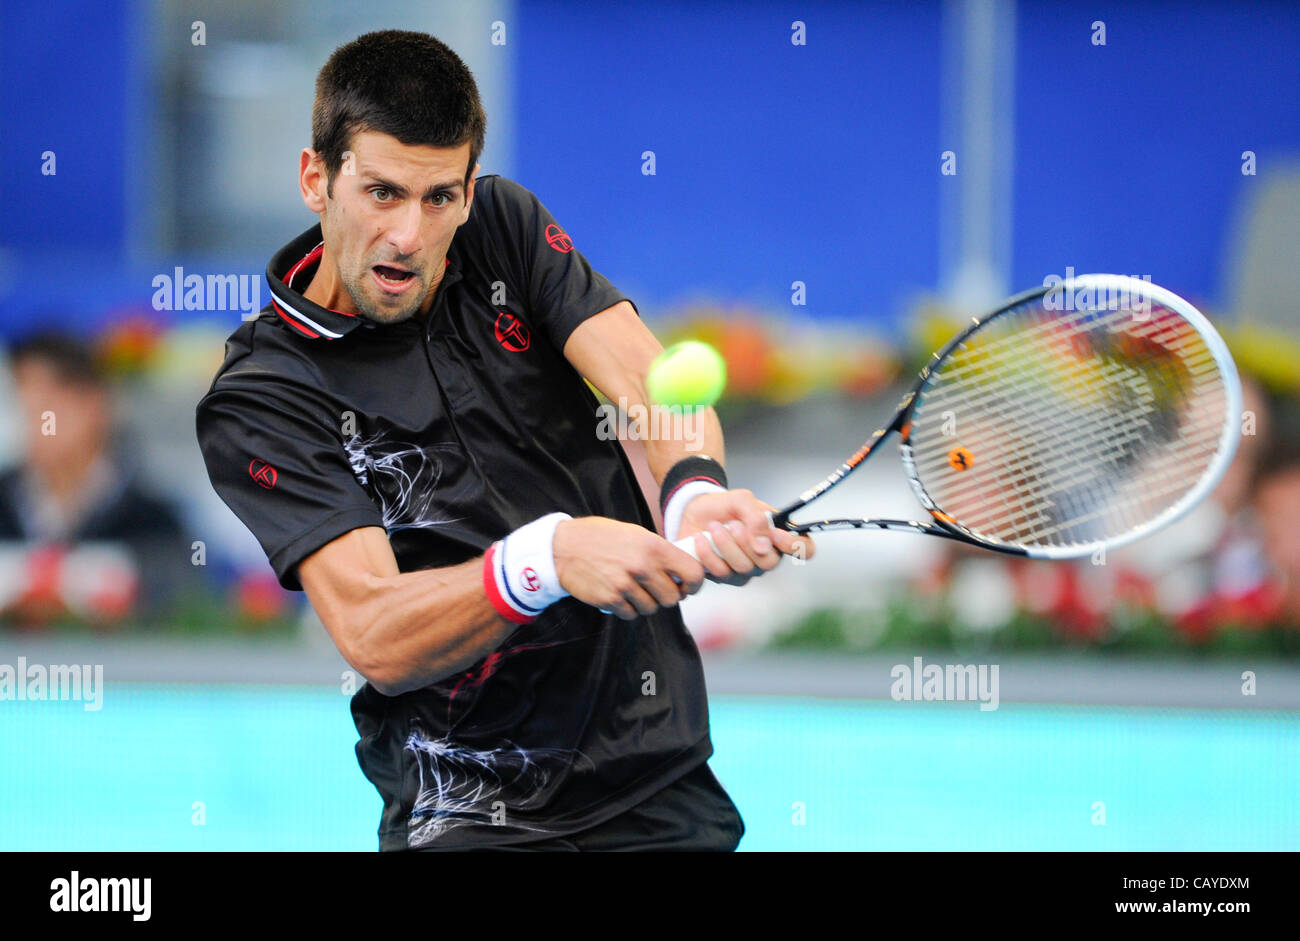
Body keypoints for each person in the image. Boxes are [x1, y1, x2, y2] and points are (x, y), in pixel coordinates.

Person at [195, 30, 811, 851]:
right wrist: (546, 560)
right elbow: (375, 632)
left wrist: (693, 492)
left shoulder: (505, 228)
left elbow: (642, 377)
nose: (411, 234)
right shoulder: (264, 393)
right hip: (469, 810)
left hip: (654, 776)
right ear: (317, 178)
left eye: (440, 196)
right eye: (382, 192)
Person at [0, 331, 194, 626]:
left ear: (93, 404)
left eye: (44, 406)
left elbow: (182, 610)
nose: (30, 420)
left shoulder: (154, 521)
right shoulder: (5, 503)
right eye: (18, 405)